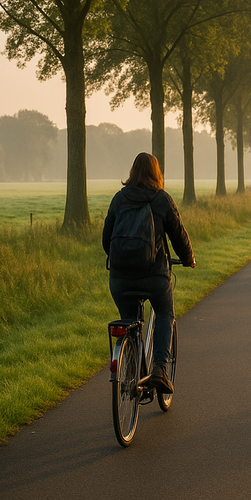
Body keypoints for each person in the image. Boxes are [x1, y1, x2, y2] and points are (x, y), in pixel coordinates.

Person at [103, 152, 196, 394]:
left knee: (129, 321)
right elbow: (178, 235)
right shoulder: (162, 199)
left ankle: (130, 372)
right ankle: (160, 370)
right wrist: (188, 259)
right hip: (154, 276)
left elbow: (107, 240)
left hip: (120, 278)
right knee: (165, 313)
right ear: (157, 173)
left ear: (132, 172)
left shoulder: (119, 199)